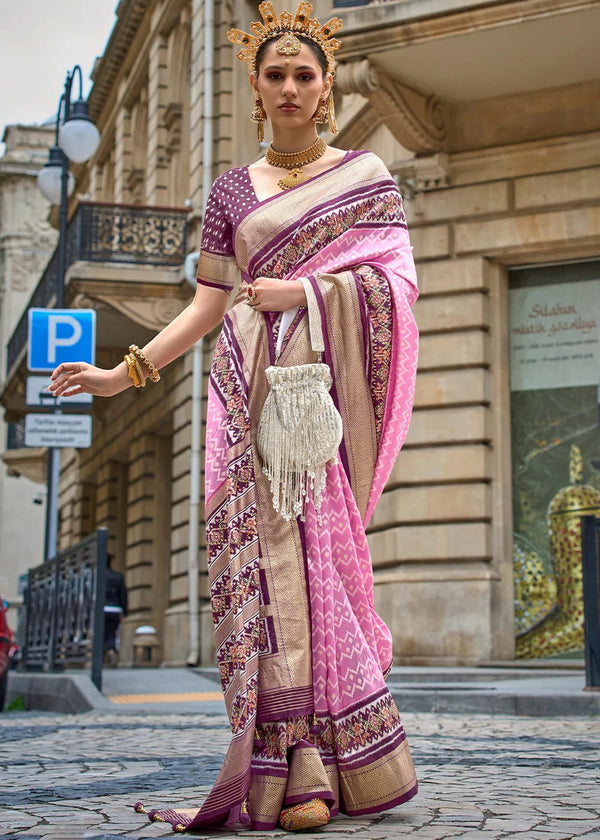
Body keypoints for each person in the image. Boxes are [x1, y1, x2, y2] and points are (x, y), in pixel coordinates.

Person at [49, 2, 419, 833]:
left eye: (305, 75)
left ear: (325, 88)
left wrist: (310, 293)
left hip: (312, 407)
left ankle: (333, 759)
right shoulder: (230, 193)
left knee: (320, 567)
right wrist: (124, 372)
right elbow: (208, 305)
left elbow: (396, 286)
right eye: (276, 75)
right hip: (242, 400)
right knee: (261, 570)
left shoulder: (366, 178)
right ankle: (293, 762)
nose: (290, 87)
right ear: (256, 87)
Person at [103, 553, 128, 667]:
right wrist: (125, 611)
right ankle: (112, 649)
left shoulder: (97, 577)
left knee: (101, 633)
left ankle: (103, 656)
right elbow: (123, 595)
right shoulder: (117, 576)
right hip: (115, 609)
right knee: (112, 632)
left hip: (102, 609)